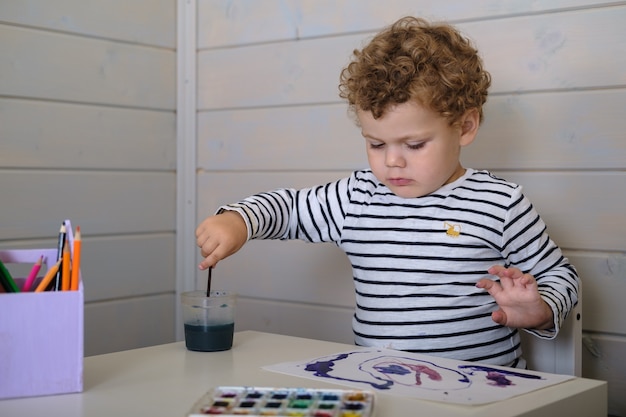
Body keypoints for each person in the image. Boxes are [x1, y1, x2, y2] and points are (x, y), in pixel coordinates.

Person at [195, 16, 580, 368]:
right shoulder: (358, 196)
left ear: (464, 127)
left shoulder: (500, 203)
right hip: (382, 384)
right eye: (376, 144)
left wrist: (541, 309)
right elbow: (291, 208)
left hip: (483, 391)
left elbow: (561, 276)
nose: (392, 161)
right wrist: (239, 220)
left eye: (413, 145)